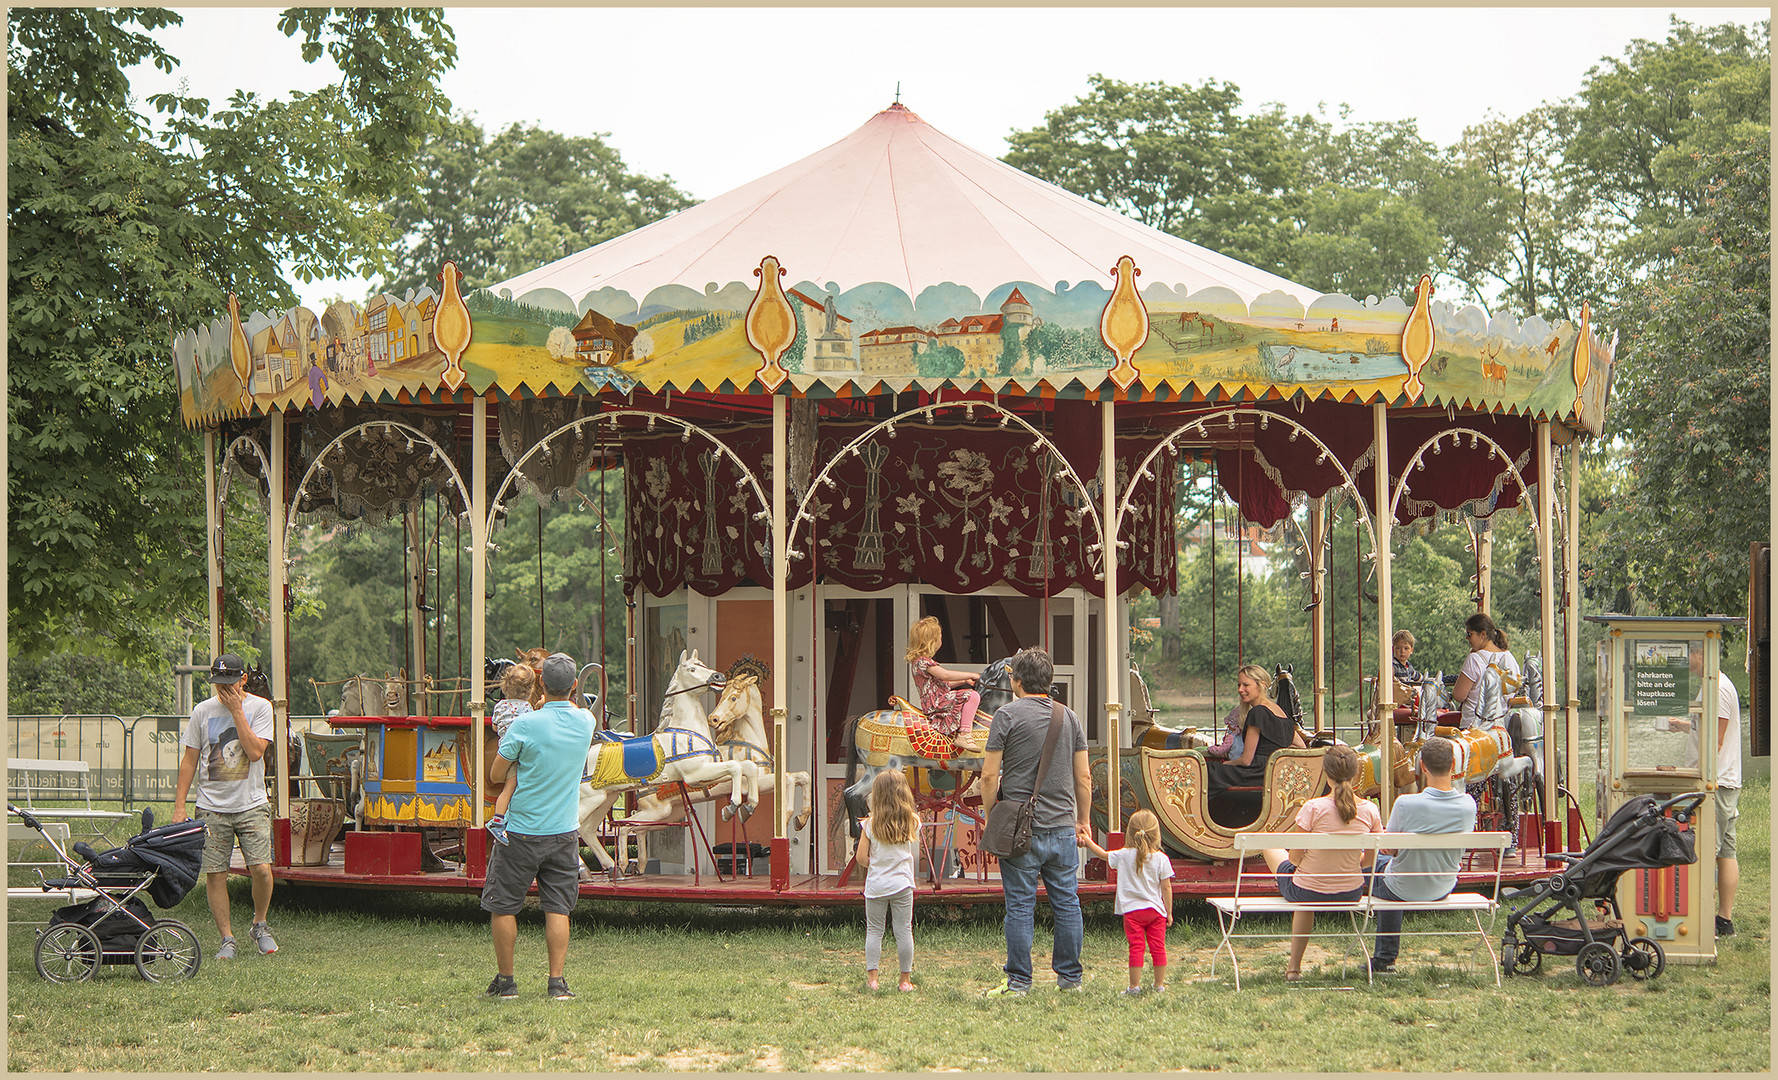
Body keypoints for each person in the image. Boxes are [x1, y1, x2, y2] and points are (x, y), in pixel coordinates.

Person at [481, 653, 597, 1001]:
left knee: (503, 906)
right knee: (558, 908)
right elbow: (572, 711)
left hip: (520, 830)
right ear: (574, 686)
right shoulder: (586, 722)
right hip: (562, 832)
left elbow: (495, 775)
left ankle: (506, 982)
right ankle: (557, 983)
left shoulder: (524, 726)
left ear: (541, 684)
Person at [980, 647, 1091, 996]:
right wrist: (1083, 820)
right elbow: (1084, 777)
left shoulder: (1006, 716)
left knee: (1019, 906)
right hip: (1061, 826)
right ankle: (1070, 979)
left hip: (1019, 828)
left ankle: (1019, 981)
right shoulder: (1069, 717)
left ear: (1016, 679)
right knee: (1067, 903)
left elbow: (987, 776)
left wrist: (990, 817)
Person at [171, 653, 280, 960]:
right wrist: (180, 805)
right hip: (211, 806)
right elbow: (190, 760)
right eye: (218, 683)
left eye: (229, 682)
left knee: (261, 868)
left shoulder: (261, 707)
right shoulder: (202, 711)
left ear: (242, 679)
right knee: (216, 873)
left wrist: (236, 713)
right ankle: (227, 939)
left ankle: (260, 924)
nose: (223, 689)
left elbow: (256, 752)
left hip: (252, 803)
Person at [1261, 743, 1383, 981]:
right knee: (1307, 881)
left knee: (1270, 846)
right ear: (1356, 773)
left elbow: (1294, 858)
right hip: (1350, 891)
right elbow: (1369, 861)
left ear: (1326, 775)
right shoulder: (1370, 810)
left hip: (1307, 891)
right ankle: (1294, 967)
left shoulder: (1313, 807)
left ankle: (1294, 968)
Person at [1368, 736, 1475, 974]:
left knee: (1373, 865)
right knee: (1391, 869)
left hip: (1401, 887)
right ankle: (1384, 958)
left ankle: (1384, 958)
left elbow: (1390, 849)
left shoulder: (1406, 803)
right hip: (1442, 886)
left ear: (1422, 766)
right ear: (1454, 763)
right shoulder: (1468, 804)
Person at [1670, 647, 1742, 938]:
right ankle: (1724, 921)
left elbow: (1717, 740)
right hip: (1721, 781)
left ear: (1702, 654)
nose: (1687, 661)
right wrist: (1685, 726)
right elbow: (1706, 728)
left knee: (1706, 850)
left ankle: (1704, 921)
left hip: (1717, 783)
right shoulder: (1709, 686)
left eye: (1690, 654)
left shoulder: (1720, 689)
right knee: (1725, 850)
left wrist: (1698, 778)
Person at [1079, 808, 1174, 995]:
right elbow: (1166, 888)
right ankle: (1159, 985)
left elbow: (1103, 854)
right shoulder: (1162, 859)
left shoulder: (1123, 855)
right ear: (1156, 834)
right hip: (1155, 912)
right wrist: (1168, 912)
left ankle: (1134, 987)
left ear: (1129, 833)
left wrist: (1088, 842)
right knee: (1158, 947)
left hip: (1132, 912)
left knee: (1136, 948)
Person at [856, 769, 920, 992]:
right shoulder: (913, 821)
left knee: (874, 931)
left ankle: (873, 979)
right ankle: (904, 981)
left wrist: (876, 865)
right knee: (903, 931)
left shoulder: (869, 825)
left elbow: (861, 858)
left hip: (876, 885)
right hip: (903, 884)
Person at [1207, 665, 1307, 798]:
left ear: (1261, 685)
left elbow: (1246, 761)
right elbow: (1301, 747)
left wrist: (1226, 763)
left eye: (1245, 685)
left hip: (1258, 772)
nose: (1240, 689)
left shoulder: (1257, 712)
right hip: (1273, 771)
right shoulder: (1280, 711)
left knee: (1207, 769)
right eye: (1239, 685)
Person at [906, 615, 983, 754]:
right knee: (972, 696)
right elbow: (945, 675)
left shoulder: (920, 662)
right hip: (936, 702)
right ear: (933, 641)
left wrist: (964, 681)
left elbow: (944, 683)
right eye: (939, 637)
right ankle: (965, 734)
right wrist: (970, 674)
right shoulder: (924, 662)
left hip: (937, 698)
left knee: (967, 693)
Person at [484, 663, 538, 846]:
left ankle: (505, 818)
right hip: (519, 755)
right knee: (511, 788)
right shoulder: (527, 708)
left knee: (510, 787)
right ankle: (499, 821)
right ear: (530, 690)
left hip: (504, 751)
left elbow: (494, 726)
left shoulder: (500, 706)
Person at [1452, 613, 1519, 730]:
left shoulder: (1474, 659)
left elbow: (1458, 695)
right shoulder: (1509, 657)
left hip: (1474, 726)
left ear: (1483, 634)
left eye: (1469, 634)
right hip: (1502, 725)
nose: (1467, 638)